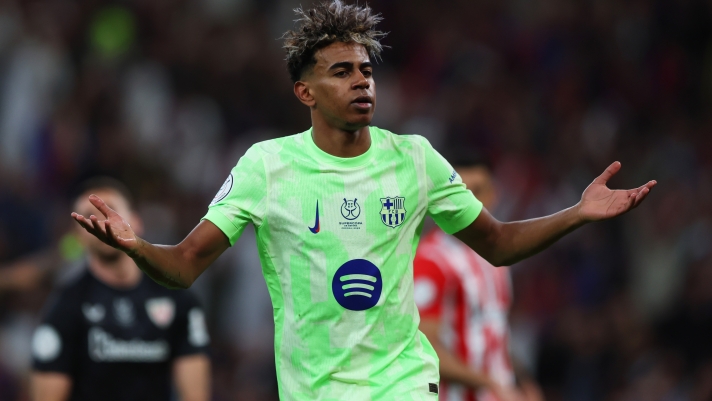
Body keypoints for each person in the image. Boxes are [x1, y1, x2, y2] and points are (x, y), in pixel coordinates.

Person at [70, 1, 656, 399]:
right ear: (305, 91)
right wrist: (137, 247)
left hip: (402, 381)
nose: (362, 81)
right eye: (342, 71)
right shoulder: (267, 166)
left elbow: (498, 244)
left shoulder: (415, 158)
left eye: (366, 70)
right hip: (315, 389)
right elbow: (184, 266)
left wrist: (578, 213)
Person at [32, 178, 211, 401]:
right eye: (89, 215)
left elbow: (195, 396)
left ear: (136, 222)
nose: (101, 222)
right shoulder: (65, 307)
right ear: (79, 233)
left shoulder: (177, 299)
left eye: (111, 210)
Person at [414, 158, 542, 401]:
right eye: (460, 192)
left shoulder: (495, 258)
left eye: (477, 191)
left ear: (494, 194)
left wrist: (523, 381)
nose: (469, 202)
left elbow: (495, 330)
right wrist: (490, 383)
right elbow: (424, 346)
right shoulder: (431, 261)